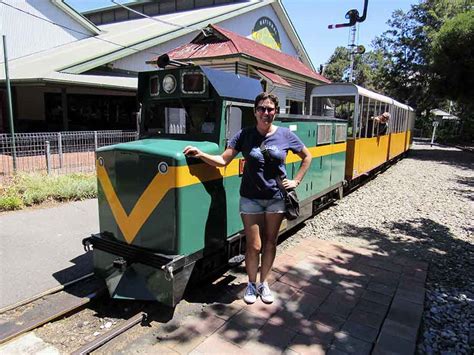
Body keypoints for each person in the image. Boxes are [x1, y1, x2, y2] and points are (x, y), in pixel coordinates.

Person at [183, 93, 312, 304]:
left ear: (275, 112)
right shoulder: (244, 135)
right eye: (261, 108)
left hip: (276, 198)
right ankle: (251, 284)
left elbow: (307, 156)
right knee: (254, 246)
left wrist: (296, 180)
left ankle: (264, 283)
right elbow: (223, 160)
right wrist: (200, 154)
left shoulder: (286, 135)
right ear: (255, 112)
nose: (265, 113)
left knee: (271, 243)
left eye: (270, 109)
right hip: (250, 198)